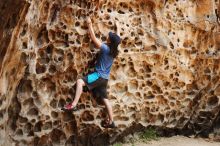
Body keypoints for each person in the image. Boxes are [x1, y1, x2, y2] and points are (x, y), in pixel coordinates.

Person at [62, 17, 121, 128]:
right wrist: (118, 27)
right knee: (105, 99)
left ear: (109, 41)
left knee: (80, 81)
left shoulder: (105, 48)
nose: (108, 36)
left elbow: (93, 38)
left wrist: (89, 24)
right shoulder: (115, 50)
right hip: (105, 80)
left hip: (98, 76)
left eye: (110, 36)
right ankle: (112, 121)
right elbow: (117, 39)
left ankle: (74, 104)